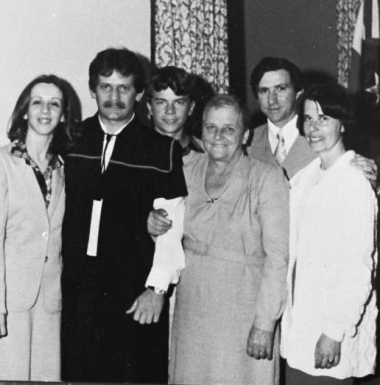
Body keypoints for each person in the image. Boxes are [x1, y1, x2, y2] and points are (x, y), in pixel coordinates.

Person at [61, 48, 187, 383]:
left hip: (133, 290)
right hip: (75, 286)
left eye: (124, 88)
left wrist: (156, 289)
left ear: (139, 93)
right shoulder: (71, 140)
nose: (114, 97)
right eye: (106, 87)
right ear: (93, 90)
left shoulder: (161, 150)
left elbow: (171, 226)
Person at [150, 94, 289, 384]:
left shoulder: (266, 178)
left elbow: (278, 258)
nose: (218, 136)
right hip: (192, 308)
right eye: (211, 127)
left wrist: (265, 324)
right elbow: (168, 234)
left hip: (243, 308)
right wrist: (153, 224)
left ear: (245, 135)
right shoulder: (187, 170)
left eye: (228, 129)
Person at [0, 75, 71, 381]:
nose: (45, 110)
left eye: (54, 104)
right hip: (8, 300)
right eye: (37, 102)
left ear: (63, 114)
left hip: (49, 300)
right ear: (25, 111)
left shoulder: (63, 168)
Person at [281, 83, 377, 384]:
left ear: (342, 123)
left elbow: (359, 266)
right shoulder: (305, 178)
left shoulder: (354, 181)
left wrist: (335, 331)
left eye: (324, 118)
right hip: (301, 326)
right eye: (308, 119)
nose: (314, 128)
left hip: (330, 333)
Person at [248, 56, 378, 182]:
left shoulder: (323, 136)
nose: (272, 100)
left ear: (298, 93)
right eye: (264, 91)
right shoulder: (247, 141)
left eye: (280, 89)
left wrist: (373, 183)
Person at [146, 65, 213, 164]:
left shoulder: (209, 156)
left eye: (179, 102)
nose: (170, 111)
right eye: (161, 102)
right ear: (150, 108)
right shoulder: (132, 154)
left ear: (191, 108)